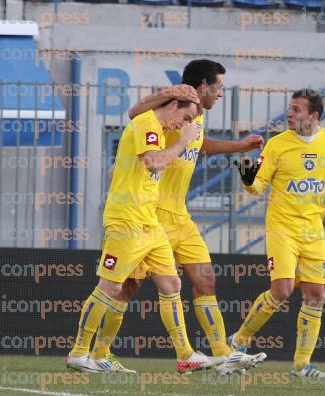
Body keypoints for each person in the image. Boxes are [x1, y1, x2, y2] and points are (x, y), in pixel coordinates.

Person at [89, 60, 266, 374]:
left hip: (181, 217)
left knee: (205, 280)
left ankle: (224, 356)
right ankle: (100, 352)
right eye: (219, 87)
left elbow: (199, 146)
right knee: (126, 287)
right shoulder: (169, 116)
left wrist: (238, 146)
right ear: (202, 86)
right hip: (151, 214)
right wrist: (164, 95)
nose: (221, 94)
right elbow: (135, 115)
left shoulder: (193, 121)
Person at [229, 88, 325, 378]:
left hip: (313, 232)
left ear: (313, 116)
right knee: (283, 289)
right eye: (290, 109)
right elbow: (257, 187)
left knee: (316, 295)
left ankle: (301, 366)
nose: (290, 114)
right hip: (282, 229)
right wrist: (247, 179)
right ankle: (238, 342)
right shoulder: (276, 145)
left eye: (297, 109)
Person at [66, 97, 217, 374]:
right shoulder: (146, 124)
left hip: (149, 221)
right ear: (173, 106)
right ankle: (79, 352)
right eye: (186, 118)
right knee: (110, 287)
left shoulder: (158, 129)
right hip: (127, 221)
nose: (185, 125)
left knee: (172, 284)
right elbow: (153, 163)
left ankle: (185, 354)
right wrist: (183, 140)